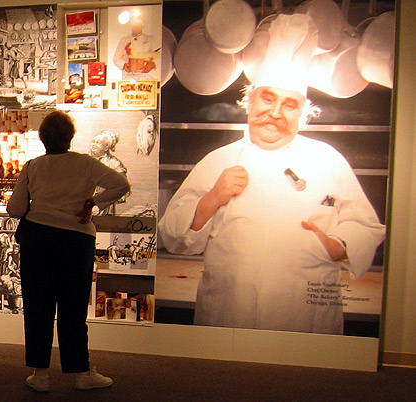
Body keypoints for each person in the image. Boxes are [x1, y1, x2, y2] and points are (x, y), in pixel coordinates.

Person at [158, 14, 386, 335]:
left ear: (304, 114)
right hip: (230, 308)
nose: (276, 113)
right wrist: (212, 198)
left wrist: (337, 245)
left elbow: (365, 225)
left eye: (290, 104)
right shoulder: (218, 161)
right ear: (249, 102)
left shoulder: (328, 160)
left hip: (306, 310)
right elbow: (173, 237)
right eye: (267, 98)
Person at [7, 110, 130, 392]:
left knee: (38, 306)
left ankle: (40, 374)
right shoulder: (86, 163)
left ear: (43, 138)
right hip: (77, 239)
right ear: (70, 137)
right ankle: (81, 372)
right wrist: (93, 203)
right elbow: (121, 184)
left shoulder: (33, 165)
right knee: (72, 308)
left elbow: (15, 209)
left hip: (38, 237)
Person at [89, 130, 129, 215]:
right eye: (93, 142)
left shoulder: (114, 163)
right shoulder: (84, 160)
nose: (94, 144)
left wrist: (99, 205)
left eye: (98, 143)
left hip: (105, 212)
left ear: (106, 147)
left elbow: (123, 190)